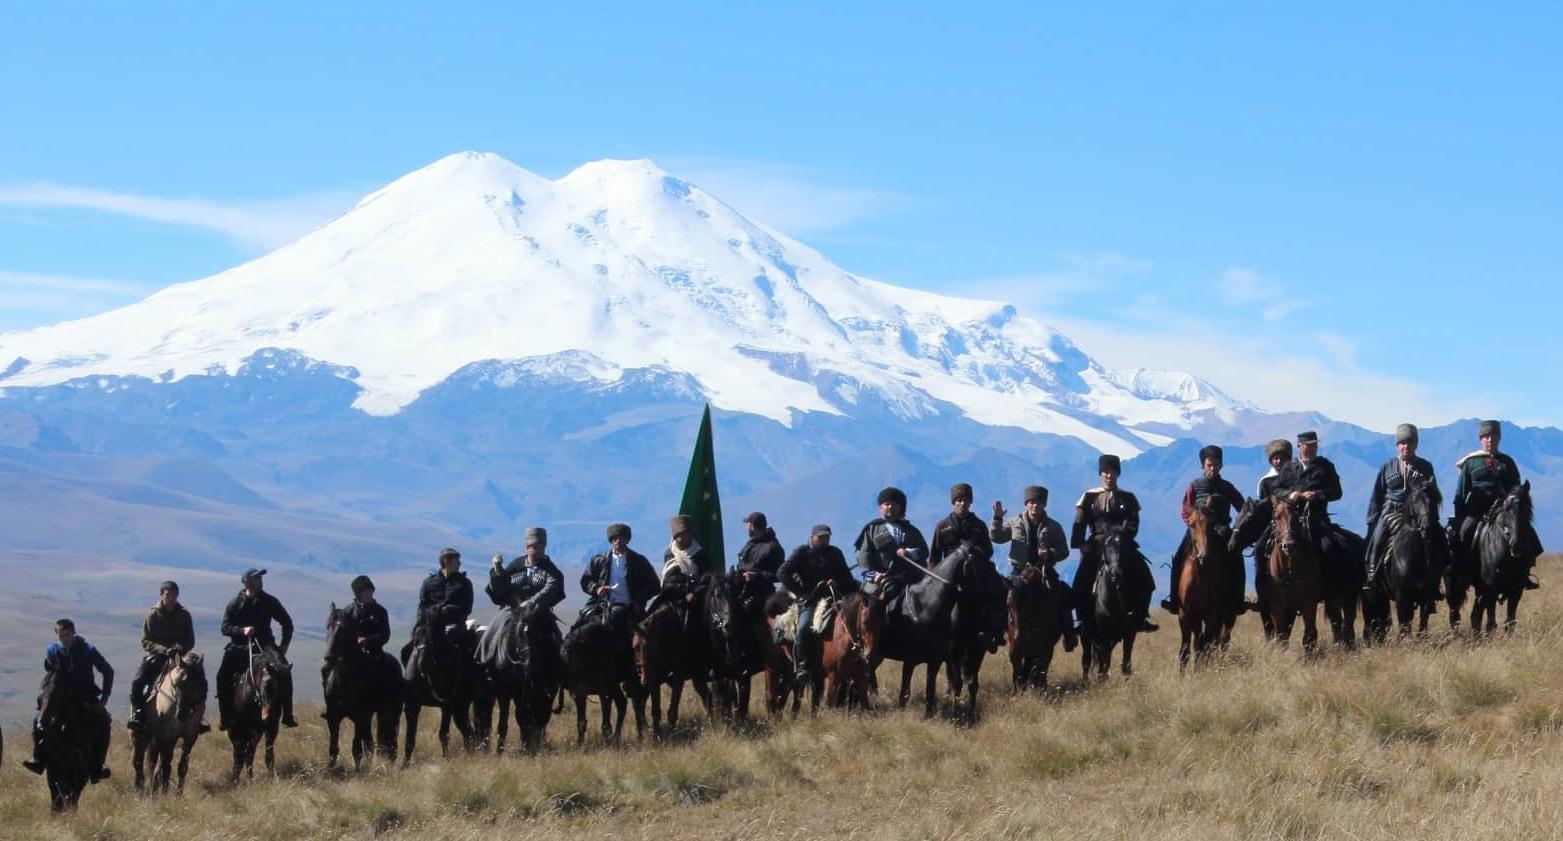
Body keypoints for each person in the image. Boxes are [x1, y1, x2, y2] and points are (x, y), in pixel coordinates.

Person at [1071, 455, 1159, 632]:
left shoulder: (1128, 498)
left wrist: (1123, 538)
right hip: (1095, 547)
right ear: (1100, 474)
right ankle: (1081, 619)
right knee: (1080, 582)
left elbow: (1133, 524)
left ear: (1118, 474)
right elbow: (1079, 524)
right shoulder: (1089, 497)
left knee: (1145, 578)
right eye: (1105, 472)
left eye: (1112, 472)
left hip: (1122, 546)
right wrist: (1081, 544)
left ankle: (1140, 616)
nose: (1109, 476)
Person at [1452, 420, 1541, 589]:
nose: (1490, 440)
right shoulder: (1471, 463)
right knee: (1464, 533)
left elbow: (1517, 489)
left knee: (1528, 533)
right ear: (1480, 440)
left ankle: (1524, 572)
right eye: (1486, 437)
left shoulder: (1508, 462)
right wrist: (1460, 517)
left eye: (1493, 436)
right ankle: (1464, 571)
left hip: (1504, 507)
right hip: (1476, 508)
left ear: (1499, 439)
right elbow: (1460, 493)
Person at [22, 619, 114, 781]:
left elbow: (108, 671)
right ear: (56, 634)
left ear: (73, 633)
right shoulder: (52, 650)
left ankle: (98, 765)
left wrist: (104, 697)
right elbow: (51, 670)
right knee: (38, 719)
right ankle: (38, 758)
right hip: (59, 694)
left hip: (84, 694)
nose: (64, 639)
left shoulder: (87, 650)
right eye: (60, 635)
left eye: (67, 635)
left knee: (104, 722)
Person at [991, 484, 1076, 651]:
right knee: (999, 597)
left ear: (1044, 505)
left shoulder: (1053, 526)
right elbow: (997, 537)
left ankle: (1069, 635)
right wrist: (997, 519)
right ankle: (995, 633)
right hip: (1018, 573)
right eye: (1031, 502)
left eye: (1038, 502)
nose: (1034, 506)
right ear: (1026, 504)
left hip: (1044, 571)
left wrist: (1050, 554)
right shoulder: (1015, 523)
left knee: (1064, 594)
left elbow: (1064, 551)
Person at [1162, 446, 1244, 614]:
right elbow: (1186, 509)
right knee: (1178, 559)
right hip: (1197, 531)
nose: (1212, 468)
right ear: (1203, 466)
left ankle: (1237, 600)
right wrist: (1193, 524)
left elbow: (1242, 509)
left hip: (1221, 532)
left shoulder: (1228, 487)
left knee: (1237, 559)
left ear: (1221, 465)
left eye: (1216, 464)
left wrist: (1236, 529)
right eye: (1209, 465)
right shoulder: (1194, 486)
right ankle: (1175, 600)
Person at [1364, 423, 1445, 589]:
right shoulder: (1388, 466)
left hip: (1417, 514)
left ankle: (1436, 581)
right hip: (1391, 512)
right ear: (1397, 446)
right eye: (1402, 443)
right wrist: (1372, 519)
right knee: (1377, 538)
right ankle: (1372, 575)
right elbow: (1377, 494)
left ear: (1416, 444)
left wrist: (1431, 490)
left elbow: (1434, 496)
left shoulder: (1425, 467)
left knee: (1439, 540)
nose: (1406, 446)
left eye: (1410, 442)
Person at [217, 568, 295, 731]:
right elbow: (225, 627)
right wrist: (241, 631)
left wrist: (282, 648)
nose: (260, 581)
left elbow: (287, 623)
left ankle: (287, 715)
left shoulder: (269, 601)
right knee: (222, 676)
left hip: (265, 646)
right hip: (239, 647)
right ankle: (225, 718)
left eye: (260, 578)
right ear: (247, 582)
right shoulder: (235, 603)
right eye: (257, 578)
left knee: (284, 670)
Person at [779, 524, 858, 682]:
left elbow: (847, 578)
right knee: (803, 626)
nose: (824, 540)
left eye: (827, 537)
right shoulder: (801, 553)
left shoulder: (835, 553)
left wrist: (836, 583)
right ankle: (803, 665)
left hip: (836, 598)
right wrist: (801, 593)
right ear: (812, 537)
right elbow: (782, 572)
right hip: (811, 600)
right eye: (821, 537)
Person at [930, 482, 1004, 649]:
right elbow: (934, 557)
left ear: (970, 503)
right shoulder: (942, 527)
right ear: (953, 502)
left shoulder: (978, 525)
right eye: (959, 500)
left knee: (998, 593)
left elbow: (989, 551)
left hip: (975, 577)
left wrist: (976, 554)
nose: (963, 504)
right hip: (949, 579)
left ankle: (994, 632)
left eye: (966, 500)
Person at [128, 580, 205, 734]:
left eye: (174, 595)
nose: (171, 598)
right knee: (138, 680)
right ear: (161, 595)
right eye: (168, 595)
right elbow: (146, 641)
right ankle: (137, 714)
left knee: (198, 678)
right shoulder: (153, 615)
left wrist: (181, 648)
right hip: (159, 656)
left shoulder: (184, 614)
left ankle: (198, 718)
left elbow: (191, 639)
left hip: (181, 656)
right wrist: (164, 649)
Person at [323, 574, 398, 699]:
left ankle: (385, 702)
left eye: (370, 591)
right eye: (365, 592)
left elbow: (385, 635)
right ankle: (330, 704)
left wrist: (368, 640)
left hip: (373, 651)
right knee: (325, 669)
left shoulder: (380, 611)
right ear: (358, 594)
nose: (368, 594)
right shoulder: (347, 612)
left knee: (387, 669)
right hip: (348, 652)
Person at [576, 522, 659, 629]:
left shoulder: (639, 561)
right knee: (579, 628)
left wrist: (638, 599)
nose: (618, 541)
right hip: (602, 605)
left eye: (621, 538)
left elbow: (654, 585)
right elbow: (586, 580)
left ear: (627, 540)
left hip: (630, 607)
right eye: (615, 538)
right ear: (610, 540)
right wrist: (597, 589)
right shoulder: (599, 560)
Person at [854, 486, 930, 601]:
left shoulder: (911, 530)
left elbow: (924, 551)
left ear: (901, 507)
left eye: (894, 504)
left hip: (908, 579)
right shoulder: (871, 530)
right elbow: (863, 559)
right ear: (880, 507)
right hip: (879, 582)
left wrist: (909, 553)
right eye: (886, 504)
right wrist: (875, 576)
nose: (890, 507)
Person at [412, 548, 476, 657]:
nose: (460, 563)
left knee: (468, 650)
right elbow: (422, 607)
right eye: (457, 561)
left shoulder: (464, 583)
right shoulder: (428, 583)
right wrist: (435, 612)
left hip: (455, 625)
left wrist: (452, 610)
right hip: (430, 625)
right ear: (447, 561)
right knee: (408, 650)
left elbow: (467, 608)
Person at [657, 514, 712, 610]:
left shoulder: (699, 554)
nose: (681, 538)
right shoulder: (670, 554)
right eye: (678, 536)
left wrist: (694, 593)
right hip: (671, 596)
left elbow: (706, 578)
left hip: (693, 596)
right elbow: (668, 576)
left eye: (684, 534)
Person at [734, 511, 785, 611]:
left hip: (761, 595)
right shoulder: (750, 544)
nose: (746, 528)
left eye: (747, 524)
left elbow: (778, 574)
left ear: (752, 526)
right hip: (742, 591)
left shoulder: (773, 547)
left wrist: (756, 576)